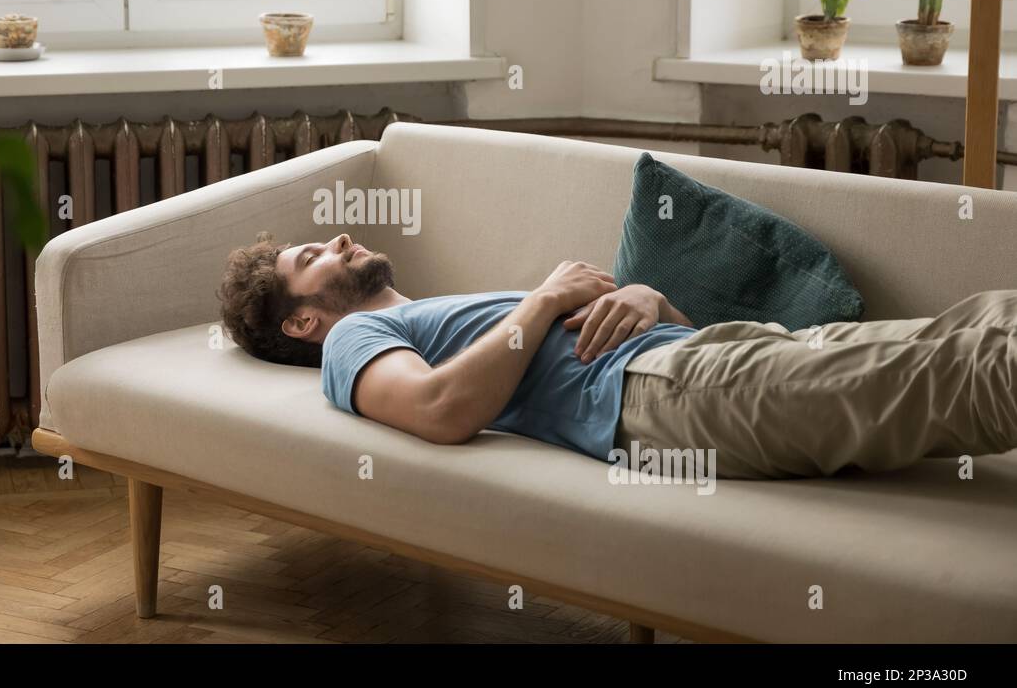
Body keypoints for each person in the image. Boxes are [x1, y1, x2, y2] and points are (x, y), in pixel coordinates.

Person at [217, 232, 1017, 480]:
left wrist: (646, 298)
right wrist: (544, 297)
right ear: (303, 324)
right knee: (956, 376)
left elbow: (678, 338)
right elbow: (441, 411)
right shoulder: (354, 341)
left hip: (700, 356)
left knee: (974, 327)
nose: (341, 238)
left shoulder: (432, 311)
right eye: (314, 256)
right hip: (656, 397)